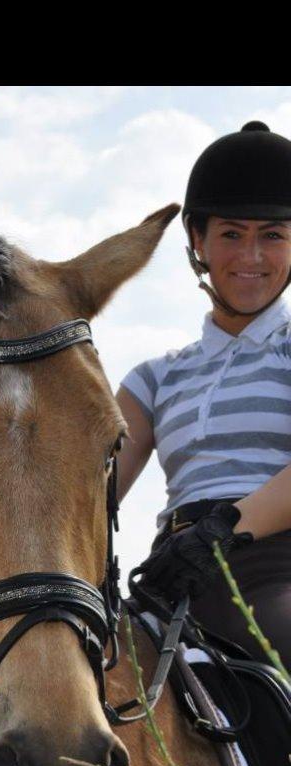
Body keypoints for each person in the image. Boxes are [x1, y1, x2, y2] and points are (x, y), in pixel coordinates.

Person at [115, 121, 291, 671]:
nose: (252, 256)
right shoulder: (154, 379)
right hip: (169, 575)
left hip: (273, 567)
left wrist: (225, 529)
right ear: (198, 240)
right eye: (232, 234)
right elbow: (89, 489)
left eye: (273, 235)